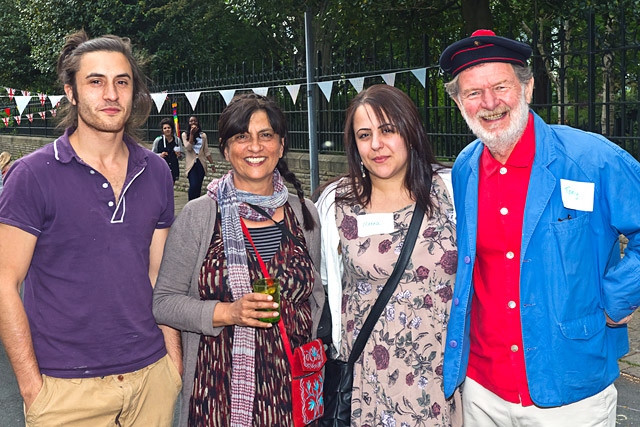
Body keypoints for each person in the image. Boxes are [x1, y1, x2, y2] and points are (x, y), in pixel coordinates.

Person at [439, 29, 640, 426]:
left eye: (501, 86)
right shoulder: (464, 168)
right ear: (460, 102)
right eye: (474, 93)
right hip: (482, 389)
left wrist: (619, 299)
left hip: (571, 387)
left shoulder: (591, 158)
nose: (490, 103)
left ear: (527, 86)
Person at [0, 30, 181, 426]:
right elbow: (4, 283)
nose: (111, 94)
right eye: (95, 81)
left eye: (122, 81)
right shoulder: (31, 176)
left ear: (134, 92)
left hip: (151, 380)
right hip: (65, 392)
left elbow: (160, 275)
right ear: (71, 92)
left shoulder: (156, 172)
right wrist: (33, 390)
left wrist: (173, 367)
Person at [153, 93, 325, 427]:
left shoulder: (304, 213)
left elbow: (315, 300)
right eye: (241, 136)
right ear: (226, 147)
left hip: (293, 395)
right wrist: (227, 312)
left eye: (265, 135)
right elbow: (163, 303)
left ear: (281, 144)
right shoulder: (200, 214)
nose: (255, 146)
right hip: (218, 397)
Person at [316, 84, 462, 426]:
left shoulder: (452, 192)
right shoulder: (336, 203)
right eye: (364, 135)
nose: (376, 144)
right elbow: (324, 282)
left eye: (387, 130)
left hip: (442, 378)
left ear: (409, 132)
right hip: (368, 381)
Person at [182, 115, 215, 200]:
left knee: (198, 186)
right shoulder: (185, 135)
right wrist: (192, 134)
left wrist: (212, 164)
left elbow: (206, 151)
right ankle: (190, 203)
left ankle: (196, 204)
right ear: (188, 123)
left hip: (201, 163)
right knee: (194, 185)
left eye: (195, 121)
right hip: (191, 164)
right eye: (191, 121)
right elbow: (188, 148)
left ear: (198, 123)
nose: (193, 123)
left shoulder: (203, 135)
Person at [153, 117, 182, 182]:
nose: (167, 130)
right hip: (161, 168)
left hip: (173, 167)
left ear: (172, 129)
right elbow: (152, 154)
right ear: (162, 130)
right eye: (165, 128)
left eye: (169, 128)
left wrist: (179, 155)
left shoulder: (177, 140)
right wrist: (160, 155)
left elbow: (182, 156)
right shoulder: (158, 140)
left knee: (170, 187)